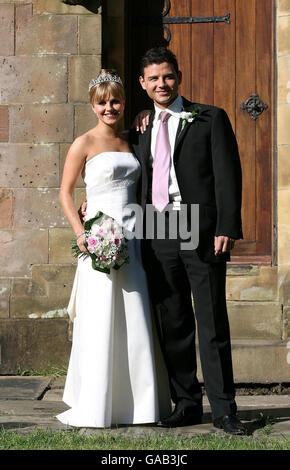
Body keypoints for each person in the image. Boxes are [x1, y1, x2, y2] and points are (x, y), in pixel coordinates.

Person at [129, 47, 246, 435]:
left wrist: (227, 226)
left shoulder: (210, 118)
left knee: (211, 321)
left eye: (168, 76)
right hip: (158, 229)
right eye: (154, 78)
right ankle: (187, 404)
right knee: (173, 322)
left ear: (178, 76)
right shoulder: (141, 127)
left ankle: (225, 409)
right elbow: (130, 176)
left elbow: (228, 175)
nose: (162, 84)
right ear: (143, 84)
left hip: (201, 227)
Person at [56, 69, 171, 428]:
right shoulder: (83, 144)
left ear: (124, 102)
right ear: (93, 106)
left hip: (133, 237)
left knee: (134, 311)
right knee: (101, 314)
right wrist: (81, 234)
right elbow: (65, 192)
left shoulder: (129, 141)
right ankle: (96, 401)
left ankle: (139, 405)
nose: (110, 107)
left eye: (116, 100)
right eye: (103, 102)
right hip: (99, 239)